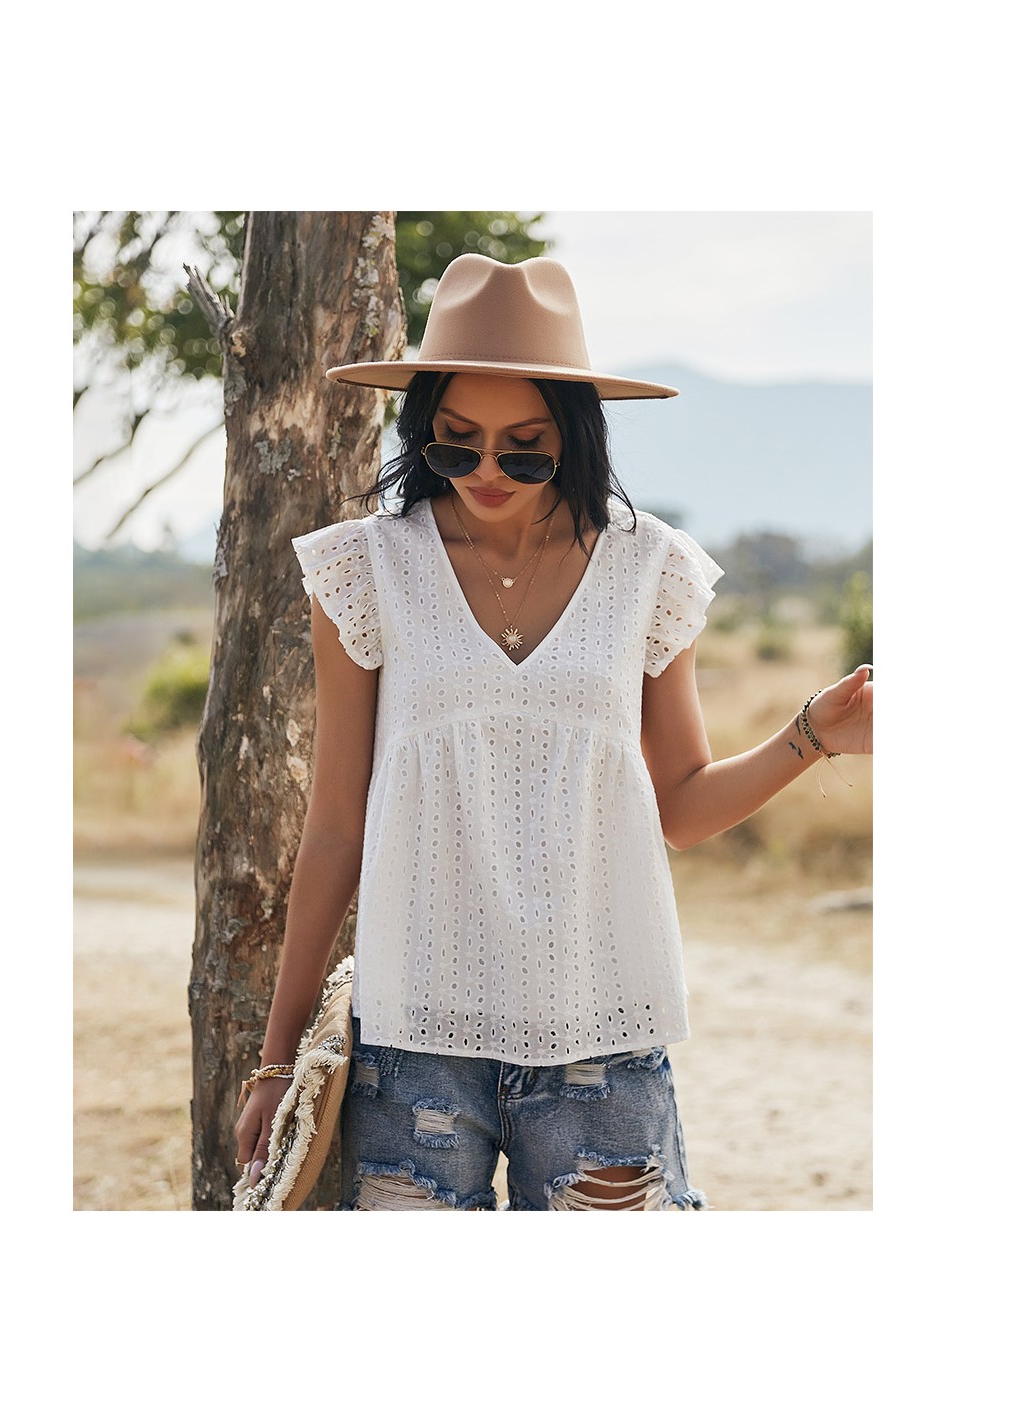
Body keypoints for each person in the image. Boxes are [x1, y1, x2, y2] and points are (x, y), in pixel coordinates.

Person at [233, 253, 873, 1210]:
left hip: (604, 1033)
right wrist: (277, 1059)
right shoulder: (367, 571)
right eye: (457, 445)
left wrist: (809, 736)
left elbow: (683, 807)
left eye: (524, 448)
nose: (488, 472)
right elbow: (334, 828)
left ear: (573, 437)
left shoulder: (648, 569)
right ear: (424, 431)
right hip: (414, 1040)